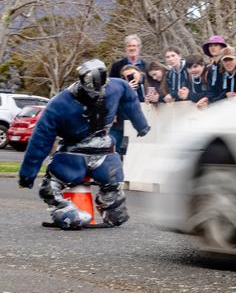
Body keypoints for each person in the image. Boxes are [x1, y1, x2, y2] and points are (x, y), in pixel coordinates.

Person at [18, 59, 150, 230]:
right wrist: (141, 125)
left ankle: (77, 210)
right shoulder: (63, 103)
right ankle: (108, 206)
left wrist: (27, 176)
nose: (98, 94)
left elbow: (40, 140)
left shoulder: (59, 104)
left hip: (81, 157)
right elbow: (41, 138)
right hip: (87, 155)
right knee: (110, 188)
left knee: (50, 188)